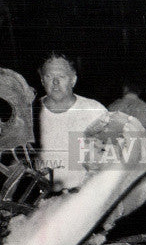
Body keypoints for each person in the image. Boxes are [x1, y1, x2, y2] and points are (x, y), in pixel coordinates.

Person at [37, 53, 108, 191]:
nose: (55, 82)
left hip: (84, 197)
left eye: (62, 76)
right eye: (49, 76)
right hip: (39, 201)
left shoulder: (94, 111)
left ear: (73, 80)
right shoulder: (29, 112)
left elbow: (116, 154)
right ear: (42, 81)